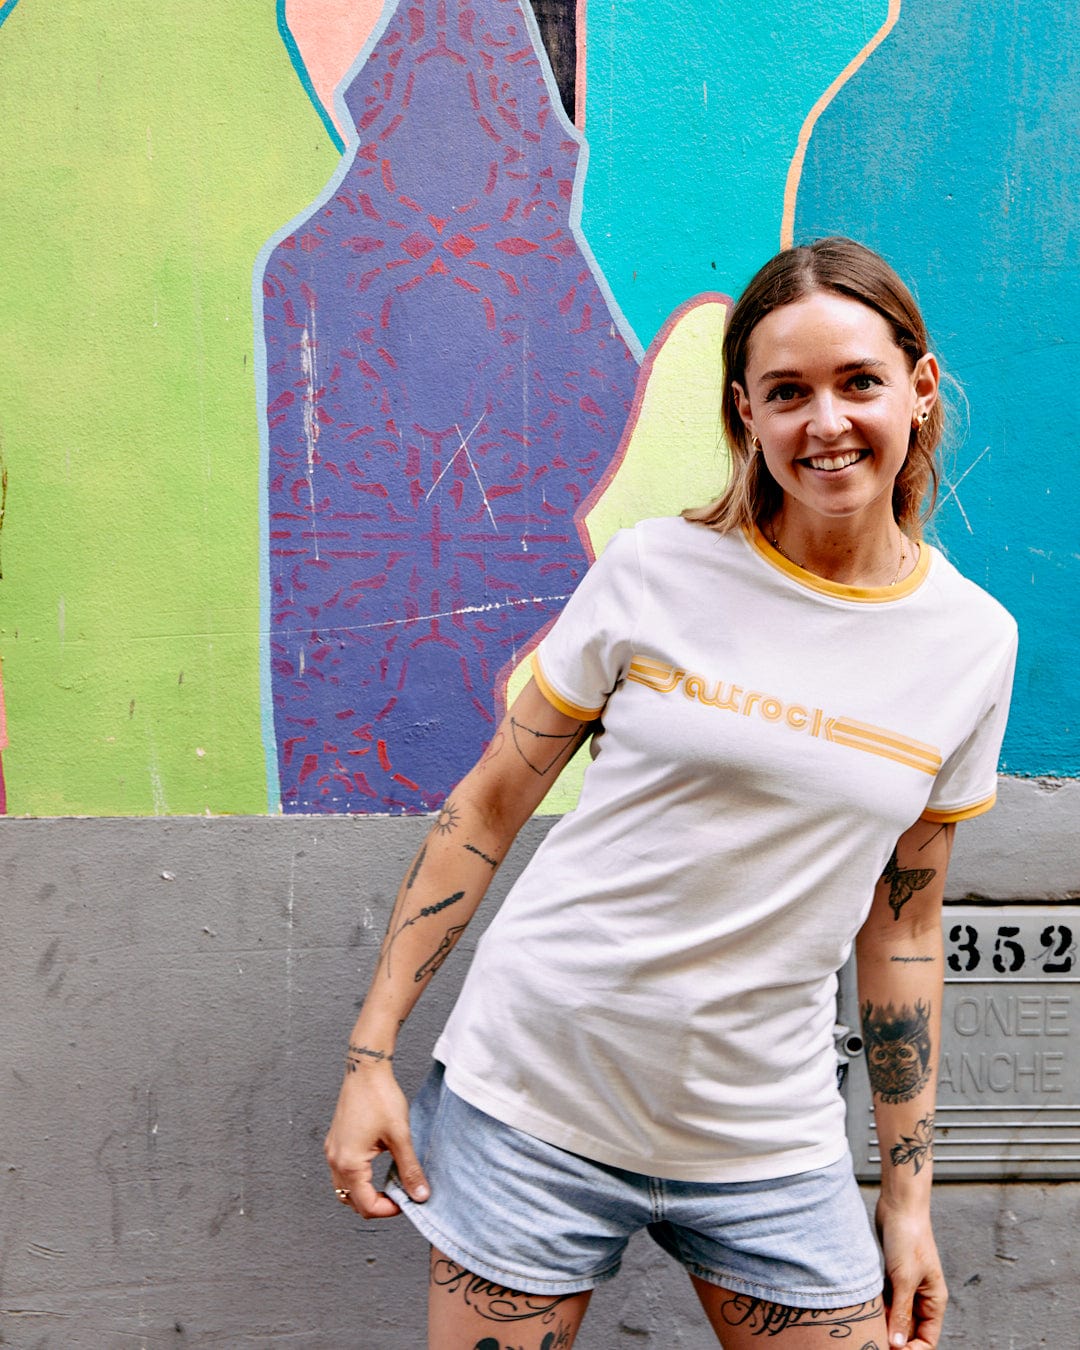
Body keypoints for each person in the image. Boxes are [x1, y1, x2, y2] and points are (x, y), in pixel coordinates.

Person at [324, 237, 1017, 1350]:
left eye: (858, 383)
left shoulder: (974, 644)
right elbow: (488, 807)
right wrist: (370, 1057)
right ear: (746, 412)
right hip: (535, 1100)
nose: (824, 423)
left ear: (920, 390)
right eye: (786, 393)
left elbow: (904, 928)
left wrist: (906, 1199)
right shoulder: (652, 572)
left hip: (763, 1137)